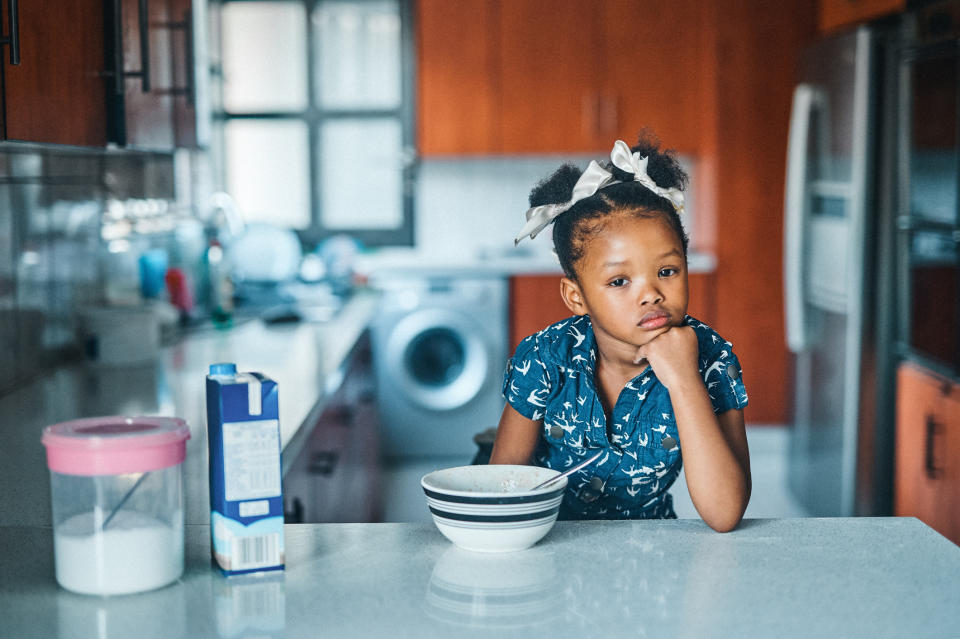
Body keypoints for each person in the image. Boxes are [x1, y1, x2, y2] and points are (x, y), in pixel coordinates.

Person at [489, 132, 750, 532]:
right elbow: (503, 491)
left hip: (652, 547)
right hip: (551, 540)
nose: (651, 294)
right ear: (576, 297)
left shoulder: (712, 359)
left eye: (667, 271)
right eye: (619, 281)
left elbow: (725, 513)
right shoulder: (544, 358)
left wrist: (683, 379)